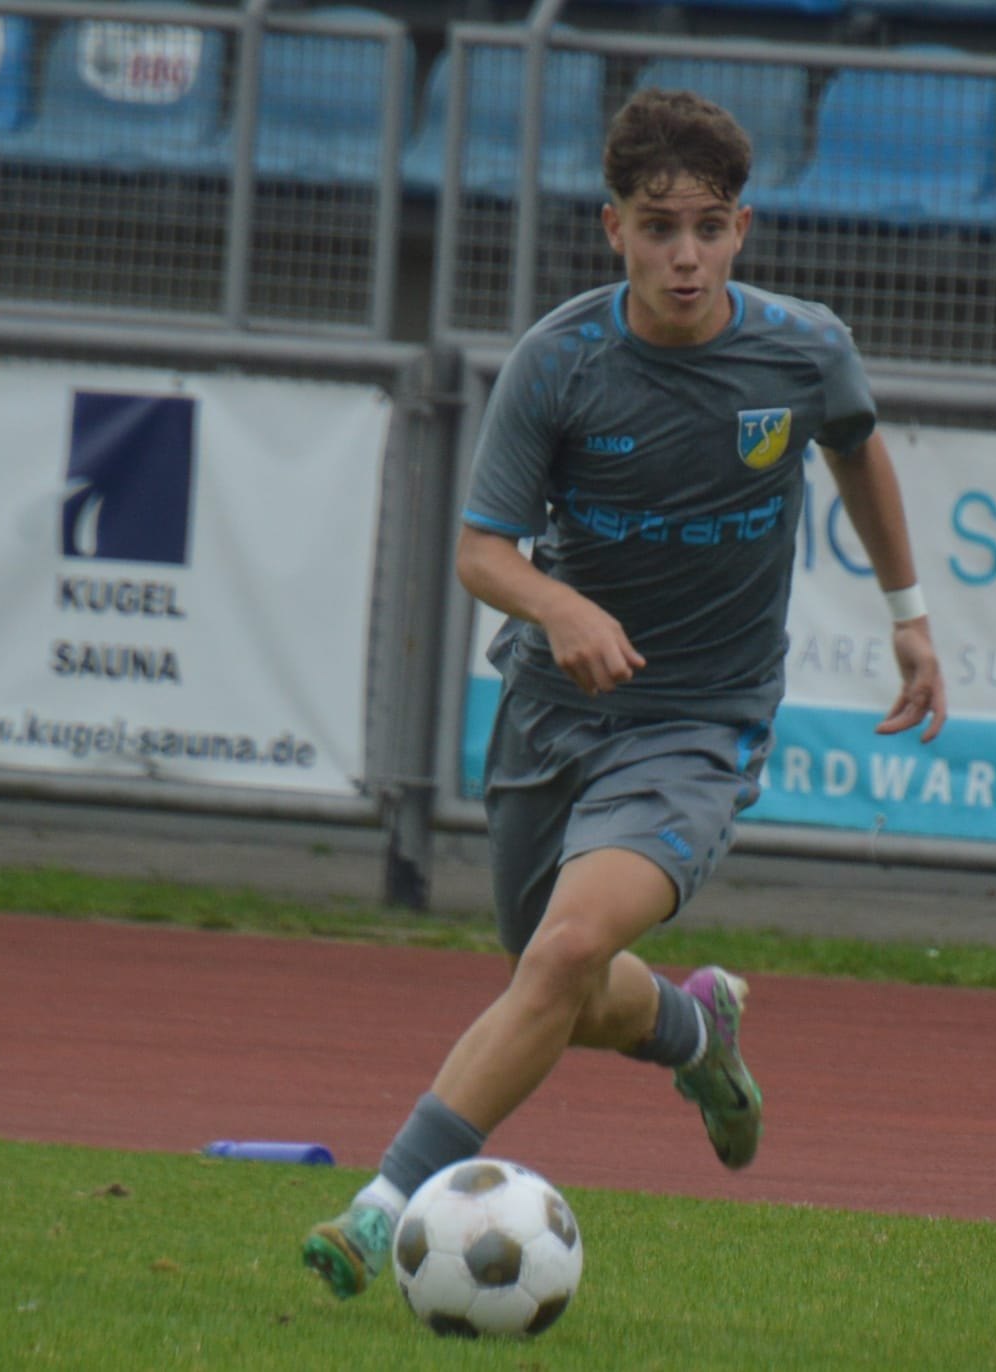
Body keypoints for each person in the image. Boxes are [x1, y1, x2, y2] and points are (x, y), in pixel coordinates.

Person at [301, 87, 948, 1298]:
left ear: (740, 228)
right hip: (550, 714)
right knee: (555, 982)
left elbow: (855, 444)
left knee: (561, 953)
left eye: (706, 227)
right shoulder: (556, 363)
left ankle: (380, 1206)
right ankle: (696, 1031)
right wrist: (559, 606)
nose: (683, 256)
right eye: (657, 228)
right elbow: (480, 553)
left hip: (698, 722)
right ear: (612, 229)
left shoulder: (802, 350)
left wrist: (907, 617)